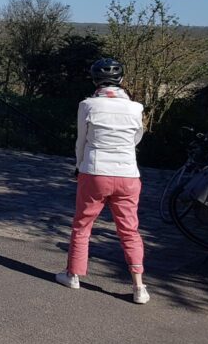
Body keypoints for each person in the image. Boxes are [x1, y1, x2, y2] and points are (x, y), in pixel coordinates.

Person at [56, 58, 150, 305]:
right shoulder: (136, 108)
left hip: (95, 170)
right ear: (121, 80)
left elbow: (81, 141)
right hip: (128, 174)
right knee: (129, 230)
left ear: (95, 80)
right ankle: (139, 287)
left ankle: (73, 275)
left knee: (82, 225)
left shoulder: (87, 105)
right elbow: (136, 139)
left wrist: (78, 166)